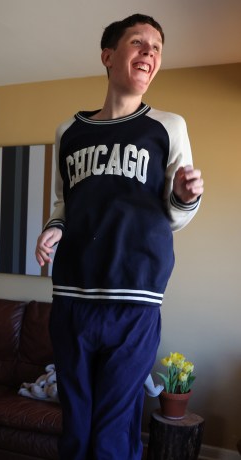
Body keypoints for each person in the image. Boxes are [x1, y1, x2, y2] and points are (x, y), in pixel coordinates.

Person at [35, 14, 204, 460]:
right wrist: (52, 231)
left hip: (135, 301)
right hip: (72, 298)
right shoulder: (68, 133)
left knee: (112, 432)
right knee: (76, 426)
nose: (150, 52)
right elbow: (62, 204)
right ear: (109, 56)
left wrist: (185, 197)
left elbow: (174, 217)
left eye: (157, 47)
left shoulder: (168, 127)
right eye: (138, 42)